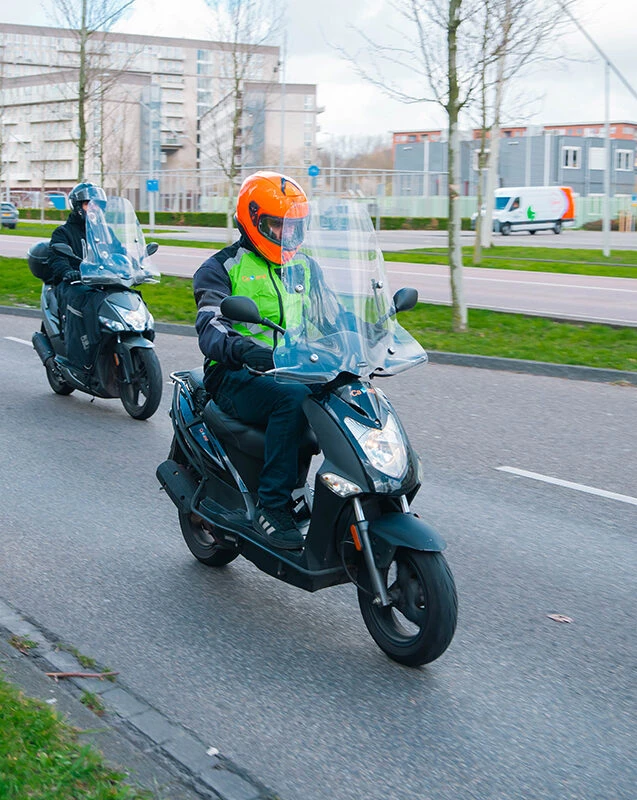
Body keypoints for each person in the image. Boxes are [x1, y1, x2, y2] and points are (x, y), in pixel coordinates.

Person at [193, 171, 313, 550]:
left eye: (293, 227)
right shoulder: (222, 268)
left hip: (294, 368)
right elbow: (210, 324)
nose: (285, 235)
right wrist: (243, 349)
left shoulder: (305, 267)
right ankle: (273, 507)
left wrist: (372, 329)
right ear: (252, 220)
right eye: (276, 225)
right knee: (291, 401)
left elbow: (334, 315)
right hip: (236, 373)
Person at [48, 182, 108, 369]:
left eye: (97, 204)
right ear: (77, 207)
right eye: (88, 204)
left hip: (101, 282)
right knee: (83, 303)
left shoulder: (105, 233)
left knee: (131, 298)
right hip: (73, 283)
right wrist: (67, 272)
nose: (94, 209)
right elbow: (57, 259)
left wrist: (134, 263)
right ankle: (80, 358)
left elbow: (119, 252)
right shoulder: (63, 232)